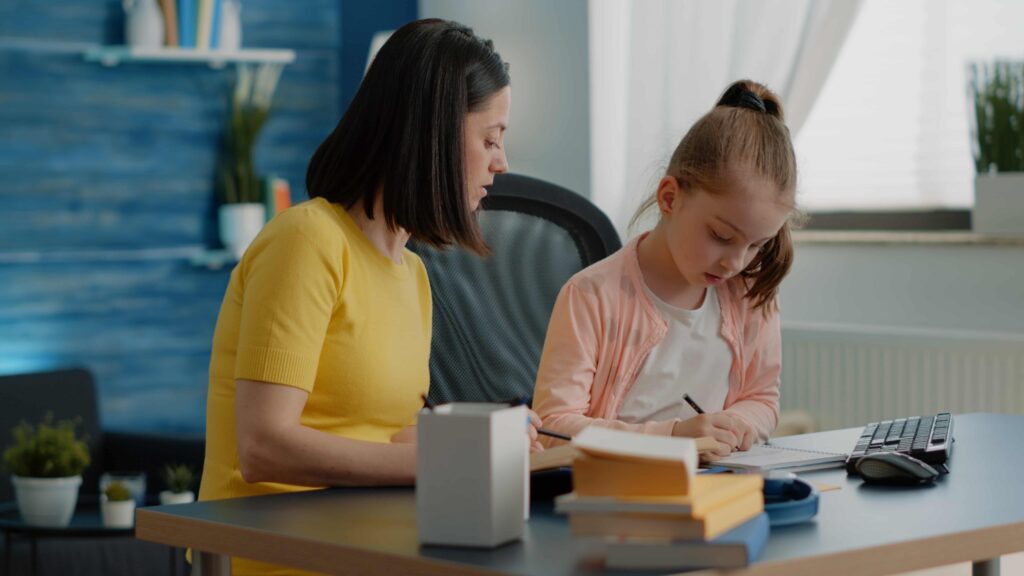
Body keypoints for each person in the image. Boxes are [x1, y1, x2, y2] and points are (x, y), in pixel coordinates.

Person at [197, 19, 541, 575]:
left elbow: (383, 430)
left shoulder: (413, 274)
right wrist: (440, 463)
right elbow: (263, 446)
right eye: (491, 138)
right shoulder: (307, 241)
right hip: (276, 556)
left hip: (369, 545)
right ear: (431, 131)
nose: (501, 161)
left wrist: (485, 444)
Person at [532, 79, 799, 461]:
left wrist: (736, 425)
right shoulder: (590, 296)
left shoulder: (752, 295)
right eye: (721, 236)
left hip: (716, 490)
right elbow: (553, 426)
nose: (736, 263)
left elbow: (760, 398)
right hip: (616, 493)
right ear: (670, 198)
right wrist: (671, 437)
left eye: (757, 245)